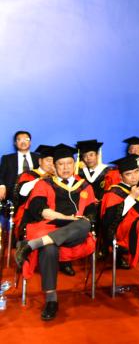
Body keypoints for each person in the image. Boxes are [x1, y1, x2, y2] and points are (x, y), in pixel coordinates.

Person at [14, 143, 97, 321]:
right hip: (49, 228)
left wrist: (80, 220)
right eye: (61, 164)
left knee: (84, 224)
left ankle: (31, 245)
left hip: (75, 234)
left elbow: (92, 214)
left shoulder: (85, 186)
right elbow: (40, 210)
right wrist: (68, 218)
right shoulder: (44, 184)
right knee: (49, 248)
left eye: (69, 163)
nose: (65, 168)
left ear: (74, 165)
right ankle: (51, 299)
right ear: (54, 166)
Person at [102, 154, 139, 306]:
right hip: (125, 234)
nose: (134, 177)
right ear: (121, 176)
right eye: (129, 174)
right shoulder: (113, 193)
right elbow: (109, 222)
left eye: (136, 172)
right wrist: (130, 198)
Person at [13, 145, 56, 238]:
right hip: (29, 213)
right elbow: (22, 192)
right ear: (40, 161)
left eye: (54, 161)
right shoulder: (29, 174)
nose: (51, 164)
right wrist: (41, 179)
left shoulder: (57, 177)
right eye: (48, 160)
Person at [0, 130, 36, 202]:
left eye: (26, 139)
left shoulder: (38, 158)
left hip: (35, 192)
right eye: (19, 140)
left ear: (30, 142)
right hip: (13, 193)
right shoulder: (7, 158)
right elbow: (1, 175)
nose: (23, 142)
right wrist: (2, 186)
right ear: (15, 143)